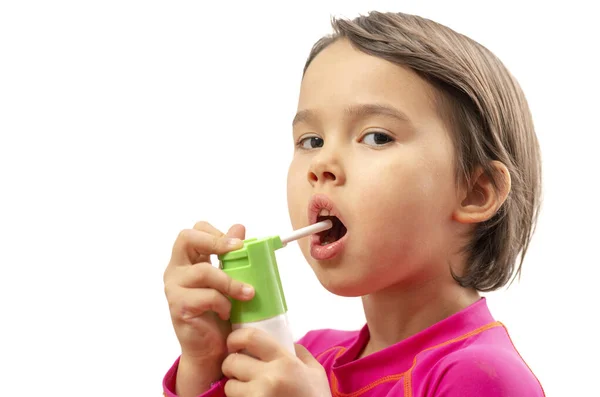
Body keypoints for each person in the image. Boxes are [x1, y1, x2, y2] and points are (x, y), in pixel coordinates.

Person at [162, 11, 545, 397]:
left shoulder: (481, 376)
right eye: (311, 141)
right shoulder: (308, 358)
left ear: (476, 192)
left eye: (376, 137)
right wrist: (204, 363)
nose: (321, 166)